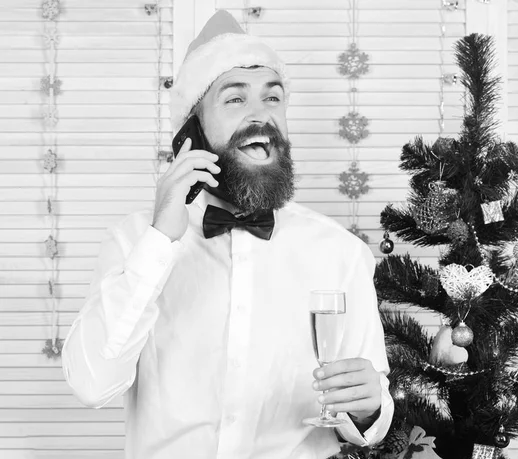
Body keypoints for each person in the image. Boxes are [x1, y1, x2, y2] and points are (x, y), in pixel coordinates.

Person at [62, 10, 393, 459]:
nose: (261, 115)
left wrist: (370, 407)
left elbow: (366, 413)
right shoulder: (134, 240)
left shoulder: (341, 253)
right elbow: (91, 384)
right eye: (235, 100)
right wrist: (160, 240)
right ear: (193, 134)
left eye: (273, 99)